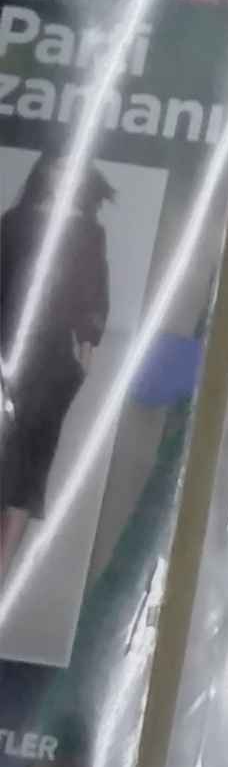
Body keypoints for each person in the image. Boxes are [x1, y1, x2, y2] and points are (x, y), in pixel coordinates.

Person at [0, 153, 113, 581]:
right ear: (44, 172)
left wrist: (87, 349)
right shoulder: (14, 223)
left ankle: (2, 569)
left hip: (52, 363)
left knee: (31, 466)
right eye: (58, 167)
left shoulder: (89, 234)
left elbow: (94, 294)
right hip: (6, 353)